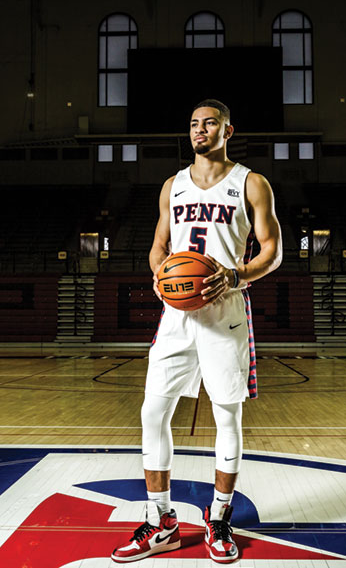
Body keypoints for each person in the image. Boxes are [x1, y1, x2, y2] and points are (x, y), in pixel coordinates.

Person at [111, 99, 282, 563]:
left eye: (210, 123)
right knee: (152, 412)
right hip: (178, 314)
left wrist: (235, 275)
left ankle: (220, 517)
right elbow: (158, 247)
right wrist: (158, 275)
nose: (199, 130)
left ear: (229, 130)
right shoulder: (173, 186)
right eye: (193, 124)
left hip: (225, 310)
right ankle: (161, 520)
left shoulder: (251, 183)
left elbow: (273, 250)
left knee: (227, 417)